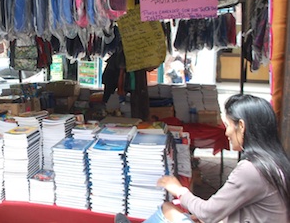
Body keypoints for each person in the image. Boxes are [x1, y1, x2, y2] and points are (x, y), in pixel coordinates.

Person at [115, 94, 290, 223]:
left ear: (241, 126)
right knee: (178, 212)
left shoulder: (251, 169)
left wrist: (179, 190)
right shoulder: (274, 163)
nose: (226, 132)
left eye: (228, 125)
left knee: (168, 209)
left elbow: (209, 212)